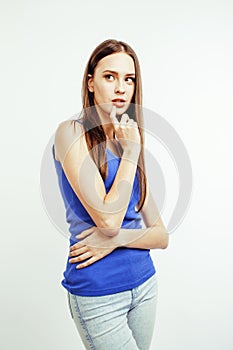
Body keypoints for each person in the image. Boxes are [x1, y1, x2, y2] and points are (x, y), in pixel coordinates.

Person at [52, 39, 169, 350]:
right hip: (98, 290)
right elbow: (109, 220)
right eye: (110, 76)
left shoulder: (125, 139)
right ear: (91, 83)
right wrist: (131, 152)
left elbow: (160, 235)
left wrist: (117, 240)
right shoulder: (71, 132)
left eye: (129, 79)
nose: (121, 87)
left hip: (144, 283)